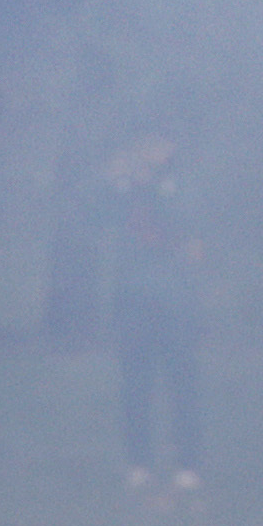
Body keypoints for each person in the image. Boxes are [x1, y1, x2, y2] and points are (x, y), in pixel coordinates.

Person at [59, 133, 205, 488]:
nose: (151, 150)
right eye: (145, 143)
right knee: (135, 382)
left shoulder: (181, 182)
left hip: (176, 297)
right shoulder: (121, 185)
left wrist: (150, 186)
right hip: (131, 297)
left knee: (182, 381)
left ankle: (189, 463)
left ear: (170, 146)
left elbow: (183, 221)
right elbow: (92, 216)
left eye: (158, 143)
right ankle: (138, 462)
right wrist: (114, 183)